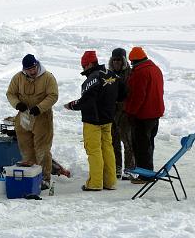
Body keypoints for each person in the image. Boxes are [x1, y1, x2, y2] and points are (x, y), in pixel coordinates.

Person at [63, 51, 122, 191]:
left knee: (94, 150)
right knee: (107, 148)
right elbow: (123, 93)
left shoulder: (92, 78)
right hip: (108, 119)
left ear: (89, 64)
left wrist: (72, 105)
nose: (83, 69)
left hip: (93, 121)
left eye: (84, 66)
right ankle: (110, 181)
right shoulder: (112, 75)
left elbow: (86, 100)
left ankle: (95, 183)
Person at [6, 54, 59, 190]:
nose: (32, 71)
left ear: (37, 65)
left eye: (34, 67)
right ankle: (32, 176)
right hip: (23, 117)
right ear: (24, 69)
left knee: (42, 150)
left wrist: (40, 108)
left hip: (42, 117)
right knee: (26, 150)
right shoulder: (18, 78)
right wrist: (17, 104)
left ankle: (45, 178)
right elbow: (10, 93)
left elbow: (53, 95)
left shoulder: (48, 77)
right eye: (29, 69)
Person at [124, 46, 164, 181]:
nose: (131, 65)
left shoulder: (140, 73)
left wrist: (130, 112)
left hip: (143, 116)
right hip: (155, 114)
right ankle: (148, 172)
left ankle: (145, 176)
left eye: (132, 62)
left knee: (141, 147)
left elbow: (137, 96)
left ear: (134, 60)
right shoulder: (155, 69)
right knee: (149, 145)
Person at [108, 48, 135, 179]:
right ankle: (117, 167)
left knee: (128, 142)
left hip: (125, 114)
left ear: (124, 60)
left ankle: (129, 169)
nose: (116, 62)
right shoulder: (109, 74)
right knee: (114, 142)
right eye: (114, 60)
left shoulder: (130, 74)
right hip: (112, 114)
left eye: (119, 59)